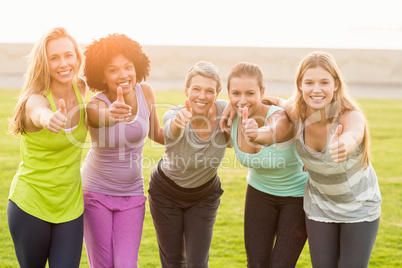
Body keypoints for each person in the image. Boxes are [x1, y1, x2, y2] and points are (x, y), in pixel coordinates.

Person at [243, 51, 382, 267]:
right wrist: (251, 125)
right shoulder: (297, 112)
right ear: (300, 85)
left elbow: (354, 133)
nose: (316, 89)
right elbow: (280, 106)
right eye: (309, 82)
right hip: (320, 207)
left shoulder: (350, 115)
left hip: (359, 208)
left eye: (324, 82)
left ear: (336, 84)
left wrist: (344, 144)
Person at [80, 33, 164, 268]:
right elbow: (97, 118)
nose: (123, 75)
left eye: (128, 67)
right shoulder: (96, 104)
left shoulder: (145, 92)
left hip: (132, 194)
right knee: (103, 265)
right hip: (95, 194)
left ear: (137, 65)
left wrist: (191, 129)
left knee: (127, 264)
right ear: (102, 75)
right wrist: (112, 114)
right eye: (113, 70)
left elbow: (157, 133)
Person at [7, 27, 87, 268]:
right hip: (31, 204)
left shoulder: (81, 88)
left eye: (68, 55)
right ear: (44, 62)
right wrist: (48, 118)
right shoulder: (36, 99)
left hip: (70, 207)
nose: (63, 63)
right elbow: (38, 112)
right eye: (54, 58)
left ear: (77, 57)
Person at [224, 62, 308, 267]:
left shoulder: (280, 117)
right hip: (258, 194)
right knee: (256, 264)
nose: (242, 100)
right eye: (236, 93)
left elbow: (272, 133)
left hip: (296, 198)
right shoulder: (231, 115)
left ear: (262, 92)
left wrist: (256, 133)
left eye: (250, 93)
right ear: (228, 94)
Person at [148, 61, 229, 268]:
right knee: (174, 261)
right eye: (196, 89)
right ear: (186, 90)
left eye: (209, 91)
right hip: (166, 194)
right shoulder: (175, 114)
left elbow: (252, 101)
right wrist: (177, 125)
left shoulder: (225, 112)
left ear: (217, 93)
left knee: (197, 263)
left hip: (204, 196)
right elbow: (169, 130)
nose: (202, 96)